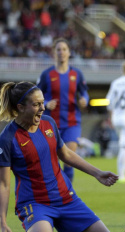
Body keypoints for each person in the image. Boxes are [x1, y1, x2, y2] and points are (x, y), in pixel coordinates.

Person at [0, 82, 118, 232]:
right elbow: (4, 184)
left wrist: (97, 173)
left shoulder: (49, 123)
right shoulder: (7, 138)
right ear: (20, 107)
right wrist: (2, 221)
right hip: (35, 204)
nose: (42, 108)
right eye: (36, 104)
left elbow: (66, 154)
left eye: (42, 103)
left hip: (66, 198)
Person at [37, 38, 89, 183]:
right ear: (54, 53)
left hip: (72, 122)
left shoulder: (77, 74)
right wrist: (46, 103)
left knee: (69, 158)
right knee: (52, 161)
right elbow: (36, 95)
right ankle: (55, 190)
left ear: (69, 52)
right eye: (58, 49)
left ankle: (68, 194)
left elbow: (84, 93)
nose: (61, 52)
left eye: (64, 49)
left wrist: (85, 100)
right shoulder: (46, 74)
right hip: (51, 123)